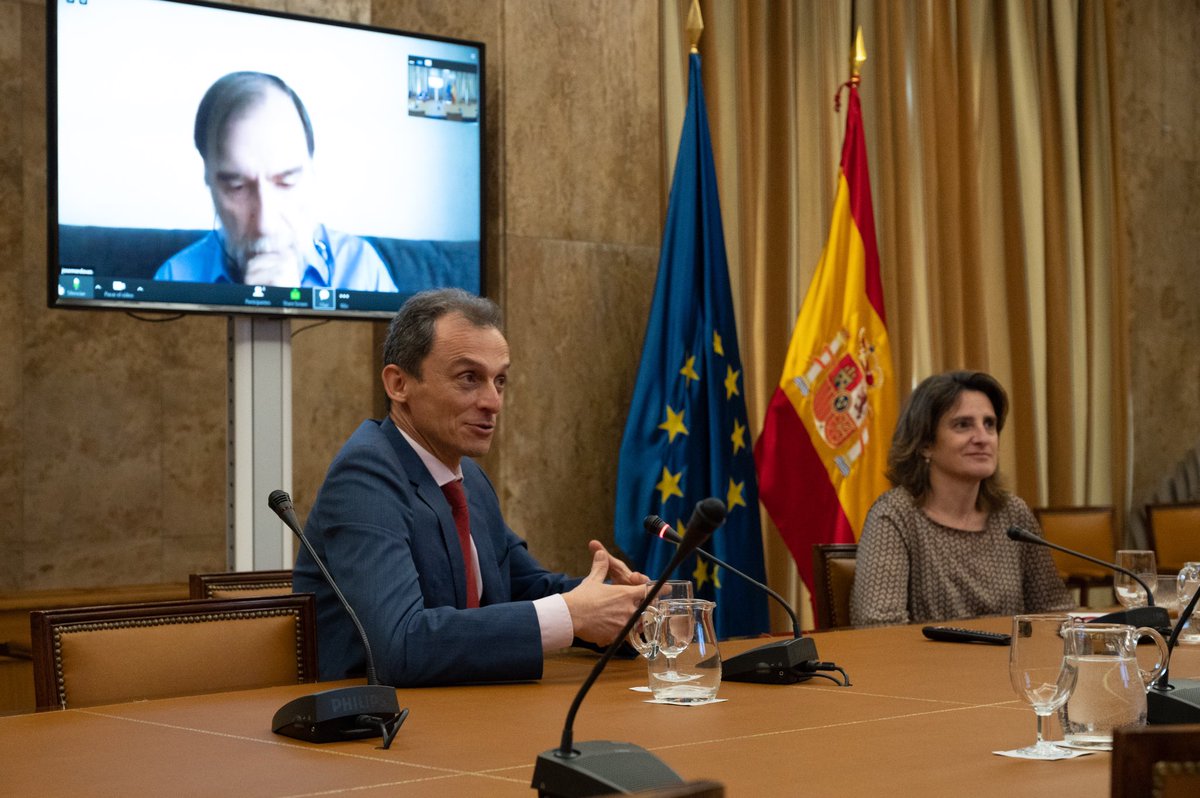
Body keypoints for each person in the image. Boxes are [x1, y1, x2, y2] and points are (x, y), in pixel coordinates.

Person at [293, 288, 648, 686]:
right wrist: (572, 615)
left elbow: (524, 587)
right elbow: (397, 646)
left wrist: (621, 602)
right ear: (399, 384)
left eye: (500, 381)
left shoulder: (468, 479)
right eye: (469, 378)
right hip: (375, 731)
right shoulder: (366, 475)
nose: (493, 402)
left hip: (465, 713)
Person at [849, 370, 1072, 627]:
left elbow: (1055, 610)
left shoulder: (1013, 514)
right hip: (927, 666)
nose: (982, 438)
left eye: (989, 424)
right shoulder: (895, 515)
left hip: (1008, 664)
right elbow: (879, 625)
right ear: (925, 444)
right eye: (963, 425)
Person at [155, 71, 397, 291]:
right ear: (208, 180)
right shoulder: (174, 279)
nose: (265, 224)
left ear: (312, 172)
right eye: (237, 187)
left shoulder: (362, 270)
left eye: (287, 183)